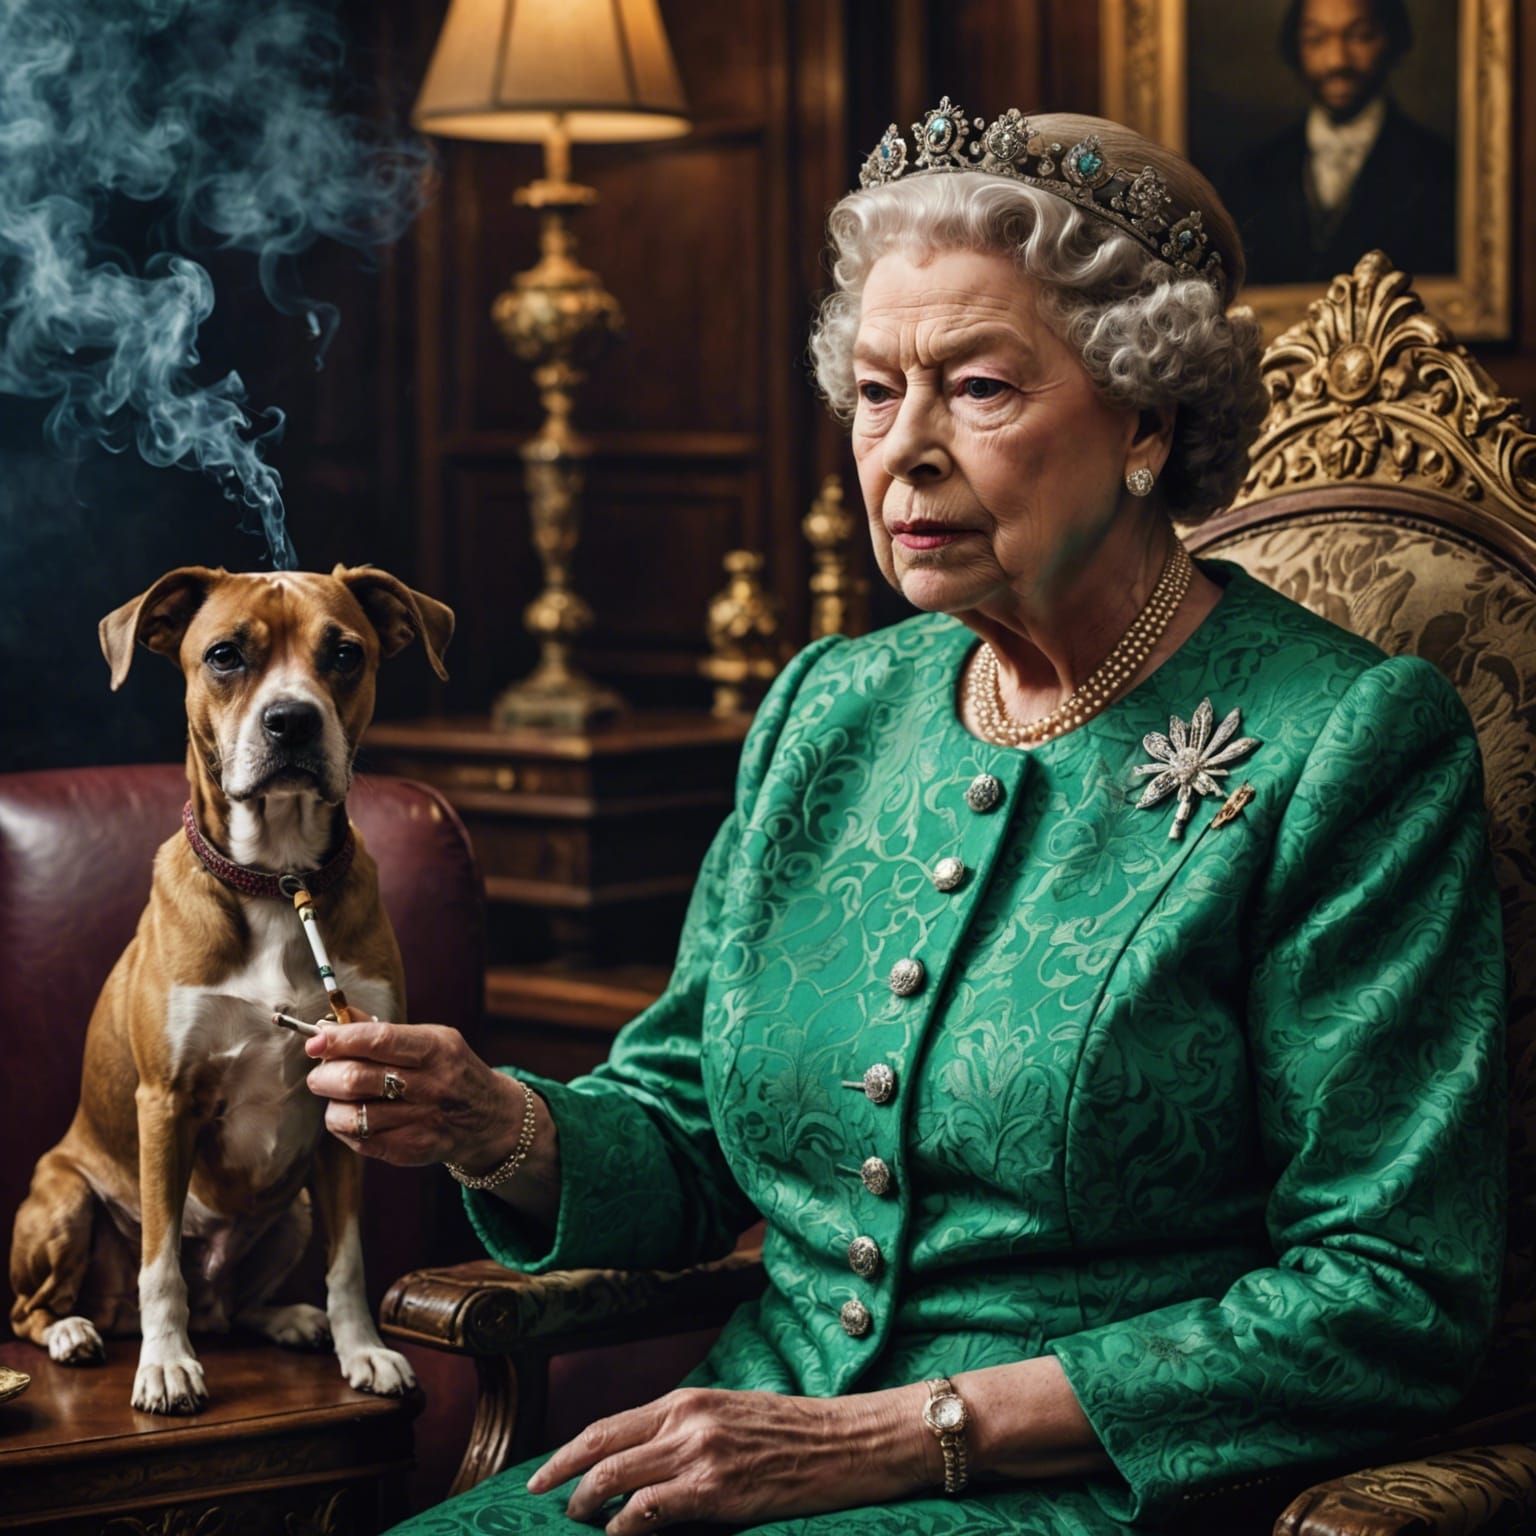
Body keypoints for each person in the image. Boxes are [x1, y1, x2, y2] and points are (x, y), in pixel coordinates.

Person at [305, 105, 1506, 1535]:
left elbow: (1390, 1297)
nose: (905, 450)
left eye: (978, 387)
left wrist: (905, 1437)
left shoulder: (1348, 743)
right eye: (876, 393)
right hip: (726, 1452)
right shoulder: (833, 704)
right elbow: (686, 1128)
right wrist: (492, 1120)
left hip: (1085, 1493)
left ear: (1145, 416)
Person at [1219, 0, 1456, 285]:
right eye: (1316, 39)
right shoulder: (1251, 172)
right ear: (1295, 46)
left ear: (1392, 40)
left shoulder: (1440, 168)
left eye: (1360, 36)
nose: (1337, 61)